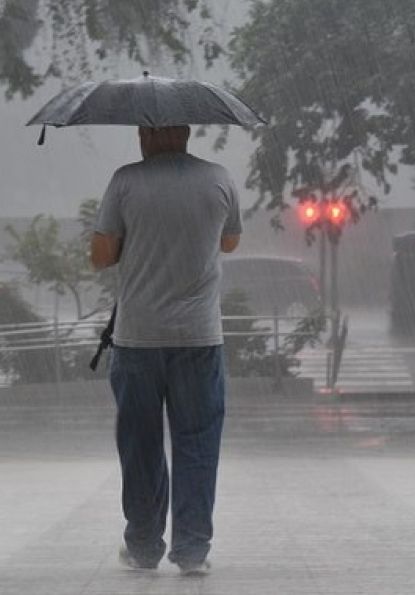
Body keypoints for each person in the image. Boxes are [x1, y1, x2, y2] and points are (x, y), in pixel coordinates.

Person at [91, 125, 241, 576]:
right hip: (198, 338)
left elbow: (101, 255)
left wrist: (136, 238)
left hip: (138, 338)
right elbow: (229, 241)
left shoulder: (125, 181)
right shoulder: (218, 179)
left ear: (146, 134)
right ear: (187, 131)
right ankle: (192, 549)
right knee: (196, 443)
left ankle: (143, 544)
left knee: (141, 443)